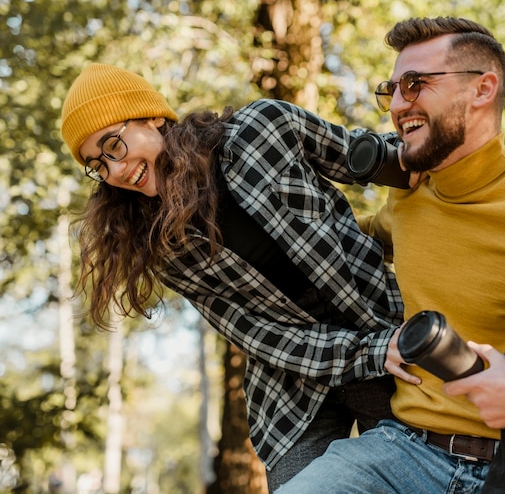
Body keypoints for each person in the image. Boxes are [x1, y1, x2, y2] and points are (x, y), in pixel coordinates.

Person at [277, 16, 505, 493]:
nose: (399, 104)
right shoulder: (407, 198)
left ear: (483, 89)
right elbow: (350, 245)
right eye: (394, 88)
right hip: (402, 450)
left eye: (416, 84)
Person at [59, 63, 415, 491]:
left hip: (380, 333)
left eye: (112, 145)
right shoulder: (164, 244)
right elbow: (257, 334)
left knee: (418, 473)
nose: (114, 171)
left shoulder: (262, 129)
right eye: (98, 165)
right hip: (291, 381)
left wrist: (438, 159)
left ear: (152, 115)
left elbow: (370, 157)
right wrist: (364, 353)